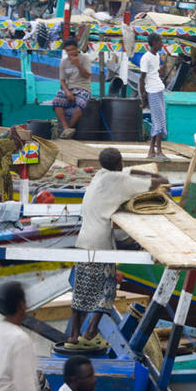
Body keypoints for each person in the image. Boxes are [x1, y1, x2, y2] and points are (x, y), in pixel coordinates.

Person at [66, 148, 168, 350]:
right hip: (100, 245)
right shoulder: (116, 181)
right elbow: (151, 184)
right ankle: (90, 334)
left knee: (81, 292)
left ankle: (73, 336)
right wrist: (159, 177)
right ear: (118, 163)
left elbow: (128, 172)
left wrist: (140, 171)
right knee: (106, 291)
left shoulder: (100, 176)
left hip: (83, 242)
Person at [53, 38, 92, 139]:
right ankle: (66, 128)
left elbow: (87, 75)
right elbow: (62, 80)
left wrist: (78, 64)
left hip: (83, 88)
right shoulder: (64, 62)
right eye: (68, 50)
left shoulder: (85, 58)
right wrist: (67, 92)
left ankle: (68, 129)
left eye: (73, 49)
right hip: (70, 88)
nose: (71, 52)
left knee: (80, 104)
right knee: (57, 101)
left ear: (77, 48)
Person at [140, 33, 167, 159]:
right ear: (155, 43)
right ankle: (158, 150)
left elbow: (154, 74)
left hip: (159, 88)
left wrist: (161, 71)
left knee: (160, 120)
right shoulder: (146, 58)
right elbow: (142, 78)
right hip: (152, 91)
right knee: (158, 120)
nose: (162, 44)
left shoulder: (156, 56)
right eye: (160, 42)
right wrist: (143, 96)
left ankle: (152, 150)